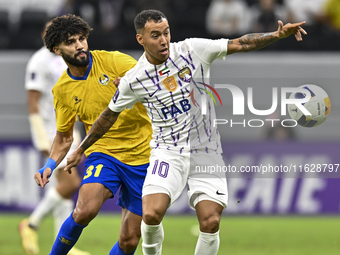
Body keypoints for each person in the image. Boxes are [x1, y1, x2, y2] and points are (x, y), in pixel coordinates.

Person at [63, 10, 307, 255]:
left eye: (166, 33)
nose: (163, 40)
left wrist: (276, 35)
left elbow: (240, 43)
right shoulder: (134, 79)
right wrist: (80, 149)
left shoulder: (192, 50)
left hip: (206, 151)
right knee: (150, 214)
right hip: (167, 153)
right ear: (141, 39)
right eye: (155, 35)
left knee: (210, 221)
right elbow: (108, 116)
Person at [33, 14, 152, 255]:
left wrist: (135, 84)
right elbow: (64, 136)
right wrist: (50, 164)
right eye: (71, 42)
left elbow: (154, 79)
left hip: (144, 155)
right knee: (83, 211)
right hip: (103, 153)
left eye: (82, 39)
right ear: (57, 49)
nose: (79, 45)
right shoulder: (62, 90)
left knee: (129, 240)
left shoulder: (115, 62)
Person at [20, 21, 89, 255]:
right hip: (51, 131)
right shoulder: (39, 61)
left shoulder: (66, 58)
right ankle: (31, 224)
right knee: (71, 183)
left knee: (66, 186)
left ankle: (65, 245)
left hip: (68, 127)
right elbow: (33, 104)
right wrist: (41, 138)